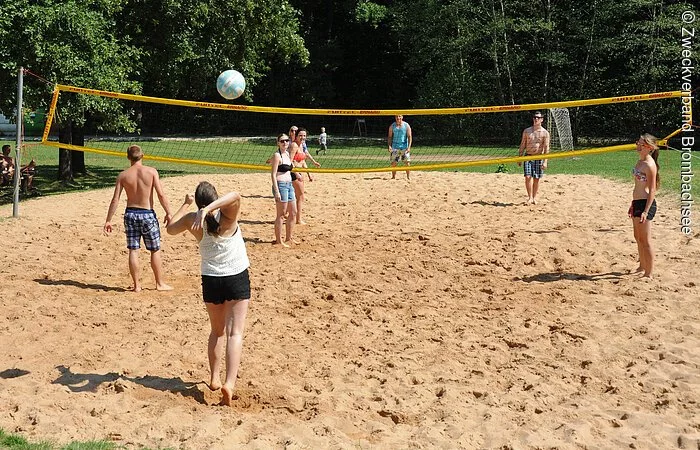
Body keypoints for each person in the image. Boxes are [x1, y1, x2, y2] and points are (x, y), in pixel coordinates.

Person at [166, 182, 251, 406]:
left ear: (197, 202)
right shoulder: (227, 216)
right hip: (236, 277)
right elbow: (235, 195)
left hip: (212, 280)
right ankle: (229, 384)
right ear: (214, 199)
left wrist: (186, 206)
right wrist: (207, 209)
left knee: (217, 332)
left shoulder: (193, 220)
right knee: (235, 334)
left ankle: (214, 378)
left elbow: (170, 228)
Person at [104, 145, 173, 292]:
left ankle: (137, 286)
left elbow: (115, 200)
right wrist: (168, 212)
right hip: (147, 214)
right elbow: (161, 195)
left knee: (133, 250)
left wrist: (108, 220)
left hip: (130, 214)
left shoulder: (123, 175)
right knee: (155, 250)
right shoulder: (152, 172)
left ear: (128, 157)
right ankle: (159, 283)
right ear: (143, 155)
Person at [629, 133, 659, 279]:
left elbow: (652, 190)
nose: (638, 145)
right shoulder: (640, 161)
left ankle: (649, 273)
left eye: (641, 144)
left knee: (646, 240)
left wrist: (646, 211)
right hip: (637, 202)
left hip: (645, 204)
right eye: (638, 142)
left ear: (649, 147)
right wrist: (632, 204)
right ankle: (642, 266)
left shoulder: (649, 165)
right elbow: (637, 186)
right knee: (638, 237)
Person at [517, 111, 551, 204]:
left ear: (542, 120)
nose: (536, 119)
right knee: (528, 177)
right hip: (528, 157)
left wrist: (545, 161)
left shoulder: (545, 133)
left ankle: (534, 198)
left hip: (538, 157)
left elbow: (546, 147)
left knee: (536, 178)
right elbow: (522, 145)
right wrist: (519, 157)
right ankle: (530, 197)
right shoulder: (527, 131)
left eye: (538, 118)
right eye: (535, 117)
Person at [270, 133, 297, 246]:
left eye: (286, 140)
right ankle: (279, 240)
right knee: (281, 214)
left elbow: (288, 170)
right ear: (278, 143)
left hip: (289, 184)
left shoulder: (287, 153)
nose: (285, 142)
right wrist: (276, 191)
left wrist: (296, 175)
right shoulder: (277, 155)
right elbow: (273, 174)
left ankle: (289, 238)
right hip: (281, 185)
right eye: (282, 141)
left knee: (293, 212)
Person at [290, 128, 321, 223]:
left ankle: (292, 216)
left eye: (304, 135)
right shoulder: (294, 145)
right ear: (296, 136)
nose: (302, 137)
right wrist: (296, 173)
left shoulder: (302, 145)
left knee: (298, 196)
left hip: (299, 172)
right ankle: (298, 219)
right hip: (293, 173)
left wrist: (314, 163)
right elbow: (289, 162)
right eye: (300, 135)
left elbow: (305, 157)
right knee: (300, 196)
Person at [387, 115, 412, 180]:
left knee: (407, 162)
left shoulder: (406, 125)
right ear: (395, 118)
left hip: (404, 147)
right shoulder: (392, 126)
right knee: (394, 163)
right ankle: (393, 177)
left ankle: (408, 177)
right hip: (395, 147)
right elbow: (389, 137)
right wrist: (389, 146)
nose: (398, 118)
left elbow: (409, 137)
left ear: (402, 117)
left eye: (399, 116)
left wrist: (409, 147)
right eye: (396, 117)